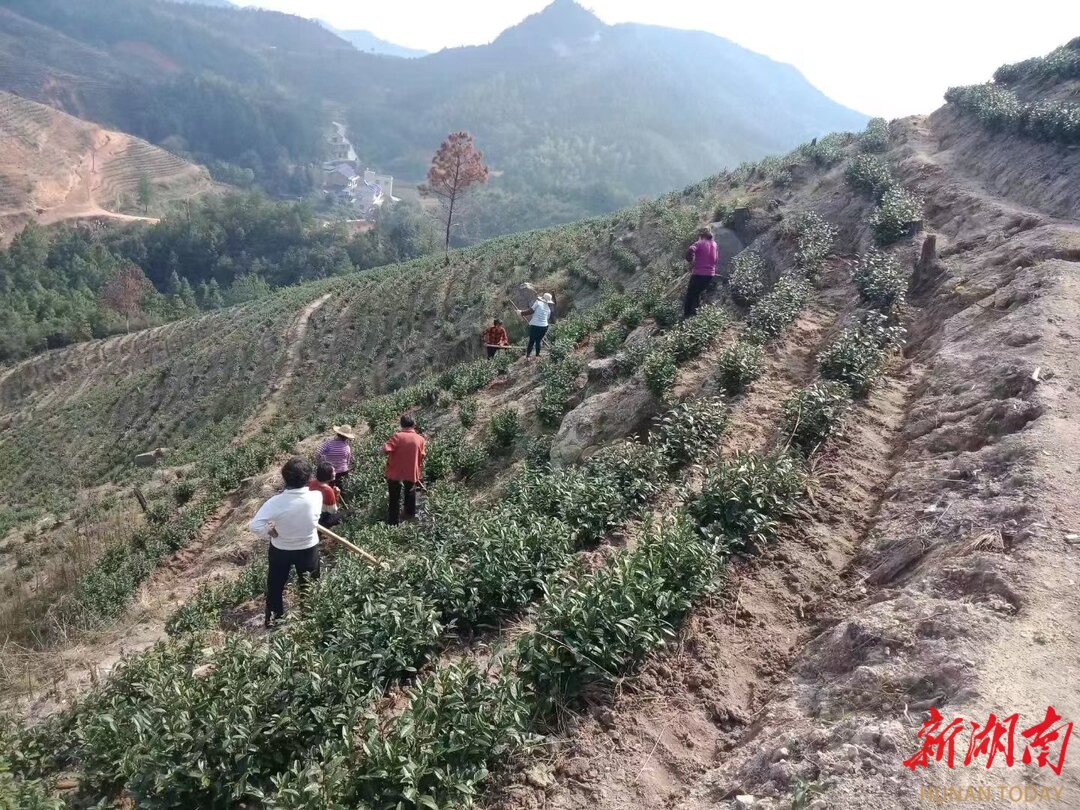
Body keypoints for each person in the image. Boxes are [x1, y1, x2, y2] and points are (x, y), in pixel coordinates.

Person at [249, 457, 323, 627]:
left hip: (281, 549)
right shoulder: (316, 497)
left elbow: (255, 526)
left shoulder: (275, 503)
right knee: (309, 584)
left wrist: (272, 533)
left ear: (285, 478)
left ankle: (275, 620)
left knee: (276, 585)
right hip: (308, 548)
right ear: (308, 478)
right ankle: (310, 619)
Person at [382, 414, 426, 525]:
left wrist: (382, 448)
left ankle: (393, 523)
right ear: (414, 424)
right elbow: (422, 457)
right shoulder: (420, 439)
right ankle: (410, 518)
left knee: (394, 498)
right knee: (410, 495)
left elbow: (386, 450)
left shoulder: (397, 436)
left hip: (395, 472)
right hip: (411, 473)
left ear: (401, 425)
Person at [683, 228, 719, 318]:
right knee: (697, 293)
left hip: (699, 273)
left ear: (702, 236)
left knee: (690, 294)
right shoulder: (714, 244)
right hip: (710, 274)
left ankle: (687, 315)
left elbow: (691, 249)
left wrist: (690, 259)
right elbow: (716, 259)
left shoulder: (700, 243)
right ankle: (696, 314)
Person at [316, 425, 354, 490]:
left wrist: (322, 464)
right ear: (346, 437)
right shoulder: (347, 447)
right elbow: (348, 460)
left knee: (329, 491)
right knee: (341, 491)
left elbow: (318, 453)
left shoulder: (328, 443)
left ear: (337, 433)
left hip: (330, 472)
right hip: (343, 472)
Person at [521, 292, 555, 358]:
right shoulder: (548, 309)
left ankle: (528, 355)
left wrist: (521, 313)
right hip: (544, 327)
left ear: (542, 298)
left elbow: (530, 311)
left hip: (535, 326)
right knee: (538, 341)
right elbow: (547, 318)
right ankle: (537, 354)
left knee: (531, 340)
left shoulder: (538, 303)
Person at [308, 462, 341, 528]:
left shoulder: (311, 483)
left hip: (310, 516)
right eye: (333, 471)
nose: (335, 473)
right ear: (328, 474)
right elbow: (333, 511)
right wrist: (337, 495)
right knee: (349, 513)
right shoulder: (328, 490)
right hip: (322, 519)